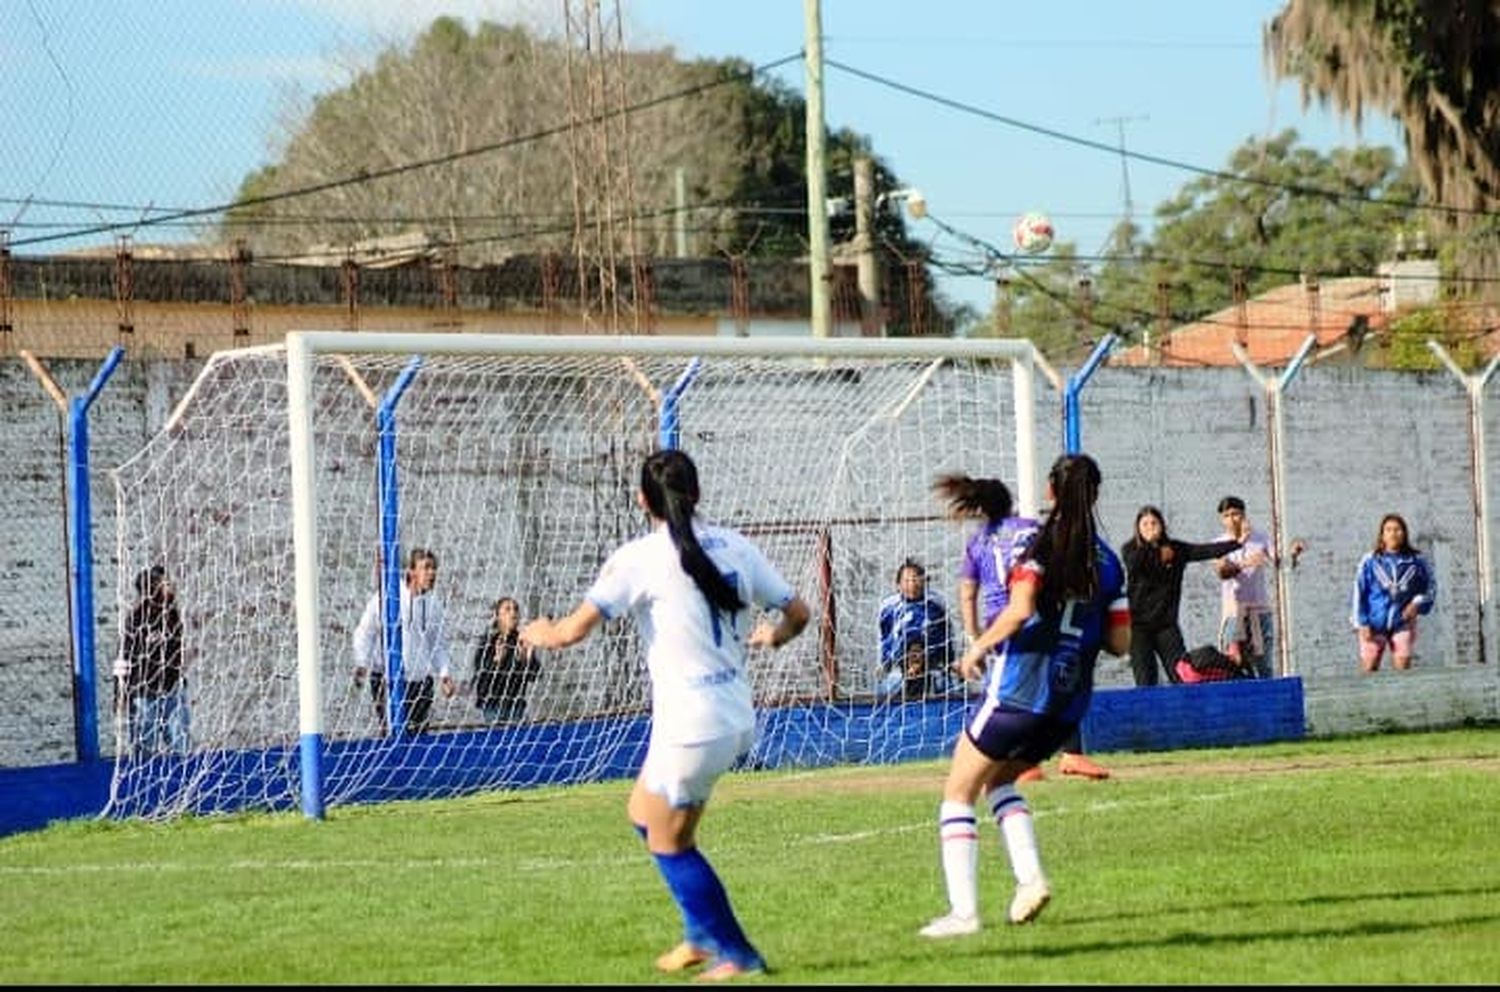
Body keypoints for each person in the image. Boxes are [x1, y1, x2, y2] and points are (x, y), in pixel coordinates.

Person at [521, 449, 811, 981]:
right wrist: (774, 635)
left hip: (692, 726)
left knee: (670, 842)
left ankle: (737, 954)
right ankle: (699, 935)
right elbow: (799, 613)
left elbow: (568, 632)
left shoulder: (641, 558)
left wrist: (537, 630)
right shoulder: (737, 546)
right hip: (730, 714)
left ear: (640, 501)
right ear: (697, 493)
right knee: (642, 811)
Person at [920, 453, 1130, 939]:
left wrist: (977, 647)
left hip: (1017, 692)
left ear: (1050, 493)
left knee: (957, 791)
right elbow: (1121, 644)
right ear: (1095, 495)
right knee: (1000, 782)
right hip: (1068, 704)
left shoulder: (1037, 550)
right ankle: (1030, 880)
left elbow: (1016, 613)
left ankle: (963, 914)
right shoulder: (1108, 561)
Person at [935, 471, 1109, 784]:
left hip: (1003, 624)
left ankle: (1017, 760)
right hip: (1042, 619)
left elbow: (967, 594)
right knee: (1055, 684)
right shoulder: (1033, 529)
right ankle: (1049, 756)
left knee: (1004, 696)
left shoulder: (977, 543)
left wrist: (976, 638)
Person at [1119, 505, 1242, 686]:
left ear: (1162, 525)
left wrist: (1236, 542)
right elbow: (1135, 564)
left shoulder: (1175, 550)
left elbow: (1204, 551)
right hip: (1139, 627)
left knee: (1182, 675)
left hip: (1166, 626)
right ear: (1137, 528)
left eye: (1154, 523)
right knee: (1145, 680)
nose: (1150, 527)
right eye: (1144, 524)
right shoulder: (1131, 549)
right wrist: (1155, 550)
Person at [352, 546, 456, 735]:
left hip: (420, 682)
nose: (432, 573)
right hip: (388, 680)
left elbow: (437, 642)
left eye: (434, 568)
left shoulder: (434, 604)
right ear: (411, 571)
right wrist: (362, 662)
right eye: (426, 567)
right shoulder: (388, 597)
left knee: (419, 737)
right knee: (393, 734)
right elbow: (366, 631)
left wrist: (444, 673)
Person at [1212, 496, 1304, 680]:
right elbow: (1222, 571)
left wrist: (1293, 555)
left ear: (1244, 515)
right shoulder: (1218, 543)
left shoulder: (1260, 538)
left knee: (1264, 664)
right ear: (1222, 519)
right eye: (1227, 515)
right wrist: (1246, 562)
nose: (1232, 519)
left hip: (1260, 610)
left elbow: (1281, 564)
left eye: (1236, 514)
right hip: (1234, 613)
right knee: (1233, 661)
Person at [115, 564, 190, 756]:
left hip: (172, 689)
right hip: (144, 694)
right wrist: (119, 693)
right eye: (164, 584)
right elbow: (123, 656)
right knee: (145, 752)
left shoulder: (172, 614)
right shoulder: (136, 618)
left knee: (181, 746)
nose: (170, 586)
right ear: (152, 589)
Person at [1350, 512, 1436, 674]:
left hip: (1401, 623)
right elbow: (1359, 591)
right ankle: (1371, 699)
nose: (1393, 534)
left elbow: (1430, 588)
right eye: (1388, 530)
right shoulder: (1370, 560)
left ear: (1404, 533)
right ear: (1382, 535)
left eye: (1397, 529)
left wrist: (1417, 603)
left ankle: (1402, 699)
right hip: (1374, 623)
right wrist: (1361, 622)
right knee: (1369, 668)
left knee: (1403, 668)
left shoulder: (1417, 560)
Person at [875, 558, 956, 701]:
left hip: (930, 662)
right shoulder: (889, 607)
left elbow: (947, 637)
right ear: (898, 585)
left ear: (925, 582)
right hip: (900, 664)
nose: (912, 585)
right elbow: (884, 639)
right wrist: (885, 664)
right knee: (889, 685)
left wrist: (948, 663)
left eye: (916, 580)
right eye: (907, 581)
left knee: (944, 684)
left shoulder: (936, 605)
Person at [472, 596, 541, 723]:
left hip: (516, 705)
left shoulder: (522, 640)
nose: (513, 613)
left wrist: (527, 659)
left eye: (516, 609)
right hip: (493, 706)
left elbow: (535, 676)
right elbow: (480, 676)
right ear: (498, 616)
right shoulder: (489, 641)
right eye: (507, 609)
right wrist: (497, 661)